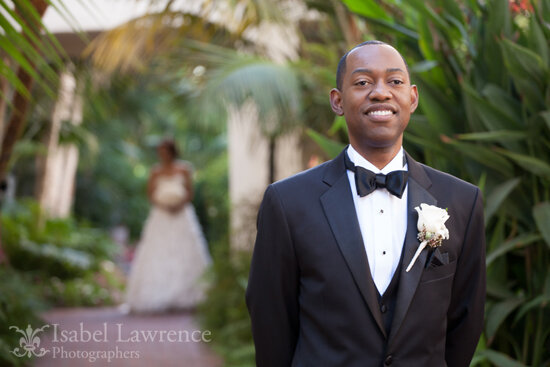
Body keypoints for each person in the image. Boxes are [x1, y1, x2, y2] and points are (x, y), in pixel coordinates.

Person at [246, 41, 486, 367]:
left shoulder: (461, 201)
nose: (380, 93)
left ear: (412, 98)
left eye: (395, 81)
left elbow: (465, 318)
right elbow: (271, 322)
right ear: (338, 101)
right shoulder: (287, 203)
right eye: (362, 83)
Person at [125, 139, 211, 313]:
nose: (162, 154)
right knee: (158, 252)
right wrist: (163, 205)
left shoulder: (184, 168)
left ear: (172, 151)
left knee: (184, 251)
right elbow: (150, 194)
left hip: (181, 215)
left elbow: (189, 192)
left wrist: (179, 205)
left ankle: (186, 296)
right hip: (161, 215)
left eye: (165, 151)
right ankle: (157, 296)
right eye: (160, 151)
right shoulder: (155, 171)